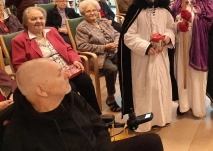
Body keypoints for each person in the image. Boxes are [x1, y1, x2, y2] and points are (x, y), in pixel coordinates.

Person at [2, 58, 164, 151]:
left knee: (151, 142)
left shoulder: (73, 98)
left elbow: (99, 128)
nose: (67, 75)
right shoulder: (18, 134)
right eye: (60, 74)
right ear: (41, 90)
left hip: (97, 148)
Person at [11, 7, 101, 114]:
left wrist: (75, 60)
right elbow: (20, 66)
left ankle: (96, 116)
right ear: (26, 22)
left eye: (41, 18)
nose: (39, 21)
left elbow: (67, 48)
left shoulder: (52, 31)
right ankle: (80, 120)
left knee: (85, 81)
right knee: (70, 89)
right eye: (33, 19)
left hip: (68, 70)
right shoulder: (19, 41)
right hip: (47, 76)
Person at [119, 0, 175, 132]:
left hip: (161, 55)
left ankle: (162, 117)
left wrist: (168, 37)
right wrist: (145, 47)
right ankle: (145, 122)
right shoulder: (135, 9)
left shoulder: (164, 9)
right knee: (145, 87)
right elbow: (128, 36)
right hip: (142, 57)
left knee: (161, 85)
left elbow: (171, 27)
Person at [171, 0, 213, 118]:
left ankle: (197, 106)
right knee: (182, 71)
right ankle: (184, 105)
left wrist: (192, 18)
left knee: (196, 75)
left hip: (199, 42)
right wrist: (178, 24)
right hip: (182, 40)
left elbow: (210, 21)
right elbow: (171, 19)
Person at [76, 0, 121, 112]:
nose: (92, 13)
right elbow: (82, 46)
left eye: (94, 10)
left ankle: (127, 94)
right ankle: (111, 98)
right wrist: (104, 47)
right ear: (83, 13)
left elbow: (117, 33)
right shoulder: (82, 27)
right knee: (111, 69)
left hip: (113, 51)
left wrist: (115, 43)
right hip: (96, 57)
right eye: (88, 11)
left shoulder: (103, 21)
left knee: (127, 61)